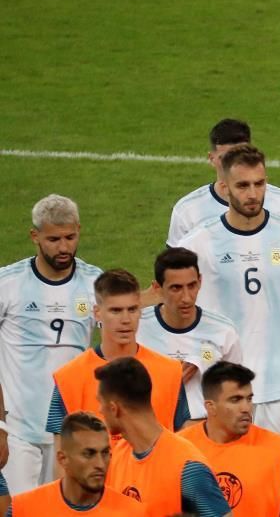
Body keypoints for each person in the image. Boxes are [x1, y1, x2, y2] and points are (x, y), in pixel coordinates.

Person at [176, 143, 280, 437]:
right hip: (220, 382)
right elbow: (173, 302)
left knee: (273, 464)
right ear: (224, 187)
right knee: (222, 465)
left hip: (277, 380)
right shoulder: (198, 243)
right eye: (243, 185)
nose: (253, 194)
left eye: (259, 184)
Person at [0, 195, 102, 494]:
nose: (64, 247)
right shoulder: (7, 284)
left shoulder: (94, 282)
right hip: (18, 431)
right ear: (35, 236)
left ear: (79, 230)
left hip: (69, 431)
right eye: (54, 239)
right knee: (19, 509)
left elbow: (121, 328)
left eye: (70, 237)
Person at [47, 269, 190, 452]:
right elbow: (63, 457)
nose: (126, 319)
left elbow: (182, 444)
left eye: (132, 309)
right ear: (97, 313)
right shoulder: (69, 378)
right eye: (116, 311)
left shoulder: (170, 372)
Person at [98, 357, 231, 516]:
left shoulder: (188, 468)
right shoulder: (118, 456)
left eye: (101, 402)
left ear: (114, 408)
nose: (99, 410)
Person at [180, 362, 280, 516]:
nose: (246, 408)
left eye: (249, 399)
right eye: (235, 400)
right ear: (210, 406)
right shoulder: (180, 448)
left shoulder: (275, 449)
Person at [138, 247, 242, 420]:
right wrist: (168, 380)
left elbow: (236, 393)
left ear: (200, 281)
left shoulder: (223, 331)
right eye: (176, 288)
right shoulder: (138, 329)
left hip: (206, 429)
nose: (186, 298)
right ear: (157, 288)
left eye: (192, 286)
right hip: (154, 428)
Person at [166, 118, 280, 246]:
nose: (233, 165)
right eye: (225, 158)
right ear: (211, 158)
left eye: (239, 157)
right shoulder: (187, 210)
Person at [5, 412, 146, 516]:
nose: (100, 464)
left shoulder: (133, 513)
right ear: (63, 459)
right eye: (88, 454)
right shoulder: (23, 510)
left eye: (104, 453)